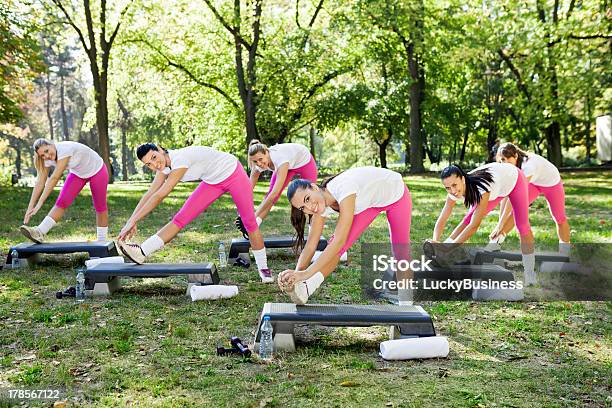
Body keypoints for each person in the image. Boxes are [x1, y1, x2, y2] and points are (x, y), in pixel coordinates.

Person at [117, 143, 273, 283]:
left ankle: (264, 269)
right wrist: (131, 221)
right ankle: (142, 252)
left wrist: (133, 222)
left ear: (159, 149)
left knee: (249, 222)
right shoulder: (163, 168)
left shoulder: (180, 160)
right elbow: (150, 193)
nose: (154, 164)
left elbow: (160, 195)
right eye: (148, 164)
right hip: (212, 182)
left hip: (233, 173)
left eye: (154, 157)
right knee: (180, 219)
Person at [277, 166, 413, 304]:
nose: (310, 207)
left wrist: (306, 273)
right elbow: (311, 245)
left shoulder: (344, 188)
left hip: (396, 194)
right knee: (334, 246)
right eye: (303, 208)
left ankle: (406, 303)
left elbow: (339, 241)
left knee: (400, 251)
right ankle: (306, 288)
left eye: (307, 199)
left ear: (314, 187)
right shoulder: (319, 206)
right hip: (371, 203)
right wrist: (296, 276)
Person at [432, 163, 537, 284]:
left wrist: (449, 248)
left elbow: (474, 226)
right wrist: (436, 242)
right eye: (448, 188)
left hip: (515, 180)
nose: (453, 191)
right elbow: (443, 217)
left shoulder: (481, 189)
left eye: (455, 185)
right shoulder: (453, 190)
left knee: (522, 226)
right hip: (498, 186)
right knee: (467, 219)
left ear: (462, 178)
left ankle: (530, 273)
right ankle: (444, 250)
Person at [489, 142, 570, 256]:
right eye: (502, 160)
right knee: (516, 210)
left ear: (516, 156)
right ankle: (495, 242)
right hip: (534, 183)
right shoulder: (510, 169)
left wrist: (500, 224)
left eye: (507, 159)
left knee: (559, 218)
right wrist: (499, 224)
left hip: (551, 183)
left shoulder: (529, 166)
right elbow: (507, 196)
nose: (505, 163)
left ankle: (565, 254)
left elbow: (513, 197)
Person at [20, 139, 109, 243]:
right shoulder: (47, 159)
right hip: (78, 173)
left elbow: (54, 178)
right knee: (62, 202)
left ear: (52, 144)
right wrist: (30, 207)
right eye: (42, 155)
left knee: (100, 206)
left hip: (97, 170)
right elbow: (40, 182)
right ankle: (39, 232)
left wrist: (39, 204)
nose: (46, 156)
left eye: (47, 151)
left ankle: (102, 242)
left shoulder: (64, 150)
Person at [238, 141, 317, 233]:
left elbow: (274, 193)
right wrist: (241, 214)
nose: (259, 163)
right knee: (270, 196)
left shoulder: (279, 159)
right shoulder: (257, 166)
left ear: (266, 153)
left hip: (304, 161)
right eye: (255, 161)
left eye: (260, 159)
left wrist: (253, 217)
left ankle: (313, 228)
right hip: (288, 165)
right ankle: (255, 226)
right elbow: (247, 191)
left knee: (311, 195)